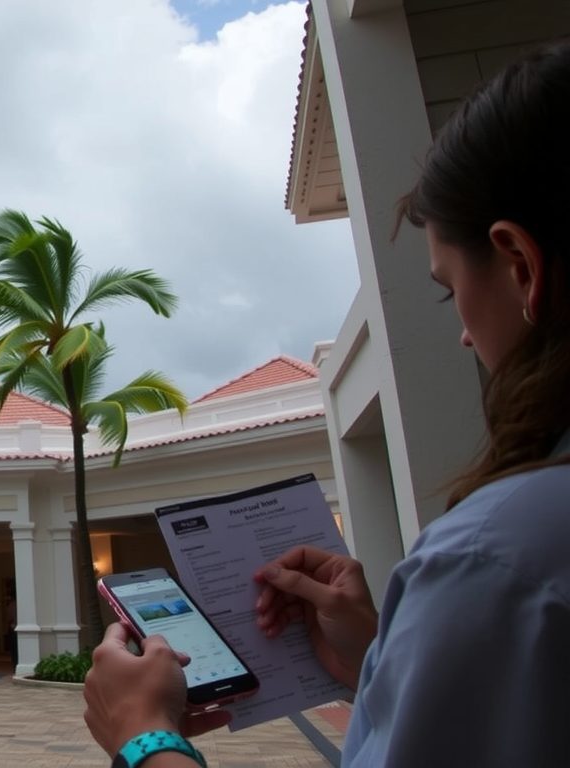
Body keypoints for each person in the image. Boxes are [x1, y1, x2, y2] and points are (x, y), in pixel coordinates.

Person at [84, 42, 570, 767]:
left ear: (521, 265)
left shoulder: (496, 555)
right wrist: (381, 656)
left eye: (450, 290)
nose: (466, 335)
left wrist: (144, 734)